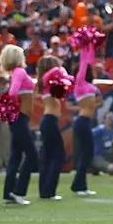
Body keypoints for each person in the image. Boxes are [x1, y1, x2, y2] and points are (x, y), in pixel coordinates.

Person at [0, 45, 38, 205]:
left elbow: (12, 91)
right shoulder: (20, 72)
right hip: (20, 119)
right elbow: (13, 93)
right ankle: (18, 191)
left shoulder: (15, 73)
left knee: (15, 156)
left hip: (18, 119)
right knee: (33, 155)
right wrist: (12, 104)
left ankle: (8, 193)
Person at [36, 56, 68, 200]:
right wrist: (59, 67)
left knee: (48, 156)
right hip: (49, 120)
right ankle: (49, 191)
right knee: (58, 155)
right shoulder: (47, 80)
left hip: (48, 121)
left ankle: (45, 191)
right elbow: (60, 71)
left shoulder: (47, 82)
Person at [71, 36, 100, 197]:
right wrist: (83, 46)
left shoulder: (90, 86)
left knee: (87, 153)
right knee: (87, 153)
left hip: (86, 122)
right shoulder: (79, 84)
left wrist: (91, 46)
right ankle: (78, 185)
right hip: (82, 121)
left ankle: (81, 185)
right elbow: (84, 64)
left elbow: (89, 63)